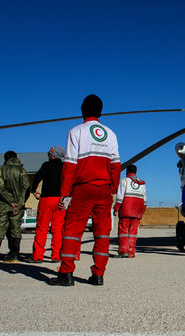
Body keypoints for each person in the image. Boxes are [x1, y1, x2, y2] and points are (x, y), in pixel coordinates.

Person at [48, 94, 121, 287]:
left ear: (82, 110)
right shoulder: (111, 134)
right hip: (104, 190)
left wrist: (65, 193)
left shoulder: (76, 131)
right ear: (101, 111)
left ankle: (66, 274)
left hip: (83, 188)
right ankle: (98, 275)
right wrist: (112, 189)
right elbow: (116, 166)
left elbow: (70, 165)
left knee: (72, 232)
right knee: (102, 234)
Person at [25, 146, 66, 263]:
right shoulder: (65, 167)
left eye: (49, 154)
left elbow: (37, 177)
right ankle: (56, 256)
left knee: (42, 228)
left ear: (53, 154)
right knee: (58, 229)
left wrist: (34, 190)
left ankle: (37, 256)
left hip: (46, 199)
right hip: (60, 200)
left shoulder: (46, 165)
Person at [0, 151, 30, 263]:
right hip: (18, 206)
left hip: (4, 204)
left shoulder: (2, 169)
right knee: (15, 229)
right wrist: (19, 203)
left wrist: (10, 201)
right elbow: (26, 188)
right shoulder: (22, 170)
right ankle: (14, 255)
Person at [113, 165, 147, 258]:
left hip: (126, 210)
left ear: (127, 171)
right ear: (136, 172)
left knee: (123, 231)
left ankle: (123, 251)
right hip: (137, 211)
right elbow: (144, 200)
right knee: (133, 232)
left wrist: (116, 208)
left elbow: (120, 197)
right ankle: (131, 252)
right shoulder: (142, 183)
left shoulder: (124, 181)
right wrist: (142, 212)